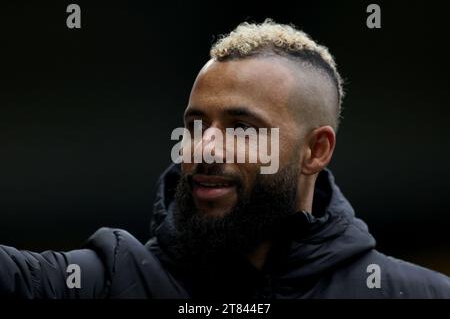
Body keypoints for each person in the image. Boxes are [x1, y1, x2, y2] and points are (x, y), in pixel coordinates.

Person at [1, 20, 449, 299]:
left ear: (316, 151)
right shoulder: (108, 280)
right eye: (196, 124)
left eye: (242, 128)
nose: (203, 149)